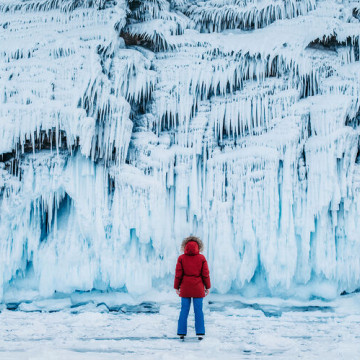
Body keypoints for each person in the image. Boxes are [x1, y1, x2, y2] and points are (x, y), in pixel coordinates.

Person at [174, 236, 211, 340]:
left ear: (184, 246)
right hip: (198, 288)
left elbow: (178, 274)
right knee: (198, 310)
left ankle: (181, 333)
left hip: (185, 288)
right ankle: (200, 333)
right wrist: (207, 286)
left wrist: (177, 287)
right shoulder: (201, 258)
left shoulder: (181, 258)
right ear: (198, 246)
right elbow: (205, 274)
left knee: (184, 310)